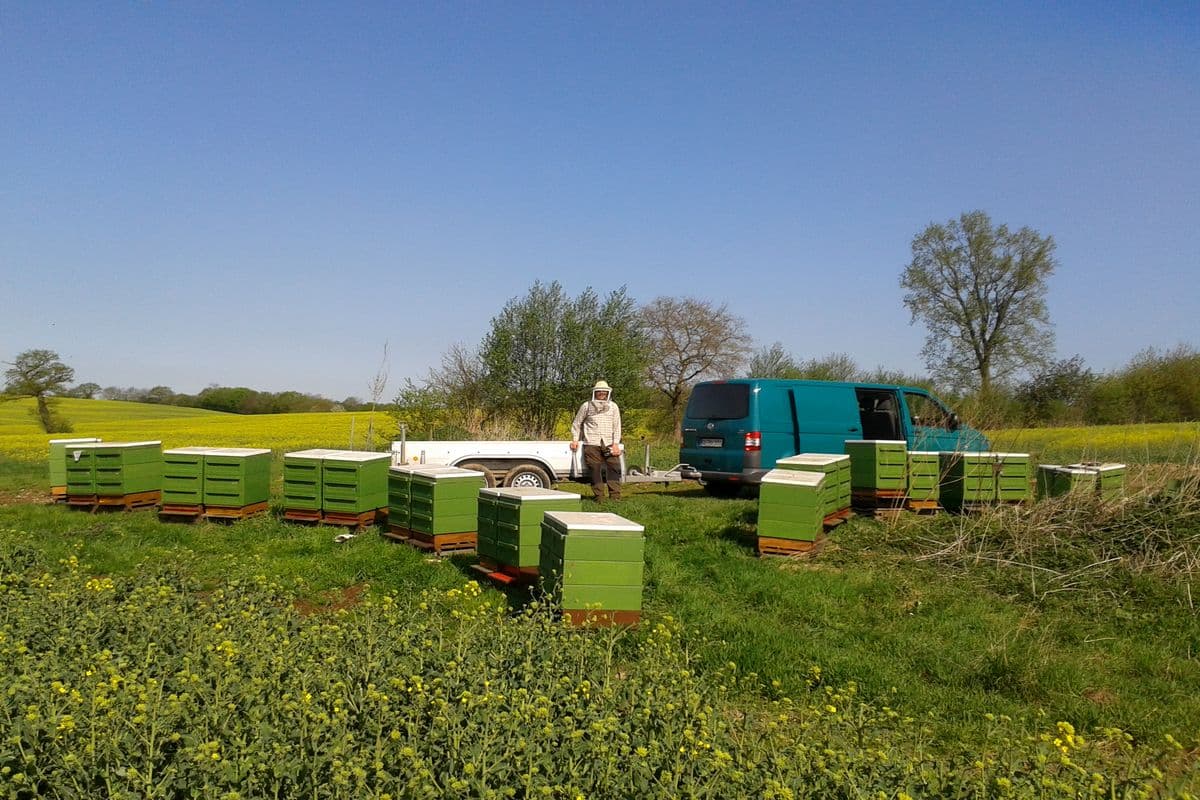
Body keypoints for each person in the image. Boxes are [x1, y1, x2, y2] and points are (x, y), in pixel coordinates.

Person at [569, 380, 623, 501]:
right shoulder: (586, 406)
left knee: (614, 467)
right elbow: (577, 424)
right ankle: (599, 497)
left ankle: (615, 496)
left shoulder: (613, 406)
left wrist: (616, 444)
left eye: (604, 391)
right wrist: (575, 440)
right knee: (595, 469)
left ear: (608, 392)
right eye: (599, 391)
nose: (602, 393)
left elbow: (617, 426)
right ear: (595, 392)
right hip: (591, 442)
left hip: (609, 442)